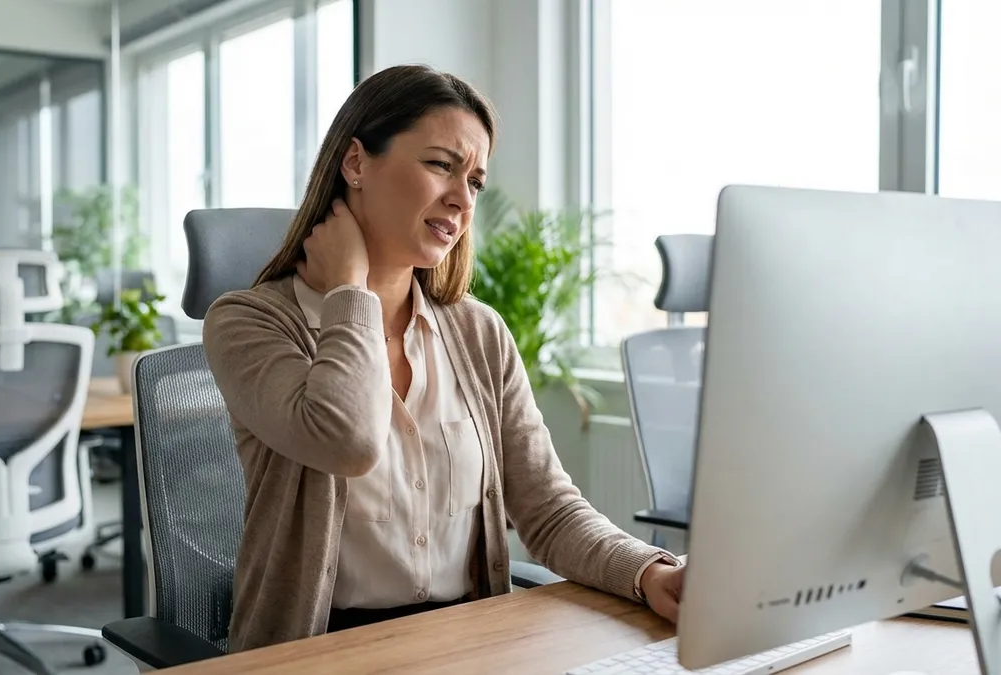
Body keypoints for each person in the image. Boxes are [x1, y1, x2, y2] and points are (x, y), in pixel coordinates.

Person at [202, 64, 685, 653]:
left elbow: (550, 509)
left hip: (469, 642)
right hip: (318, 651)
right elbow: (346, 440)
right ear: (355, 164)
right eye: (440, 165)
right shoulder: (248, 322)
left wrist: (650, 573)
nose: (462, 198)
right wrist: (350, 292)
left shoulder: (479, 333)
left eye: (475, 181)